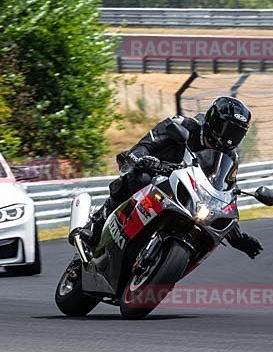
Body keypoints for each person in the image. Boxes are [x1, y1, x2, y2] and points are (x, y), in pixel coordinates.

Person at [75, 96, 263, 259]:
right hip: (157, 179)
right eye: (227, 129)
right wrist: (143, 159)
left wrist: (237, 237)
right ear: (213, 120)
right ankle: (96, 225)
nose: (229, 137)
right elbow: (144, 146)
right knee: (140, 178)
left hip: (188, 201)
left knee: (204, 233)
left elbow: (224, 196)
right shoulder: (183, 125)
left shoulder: (230, 158)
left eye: (236, 133)